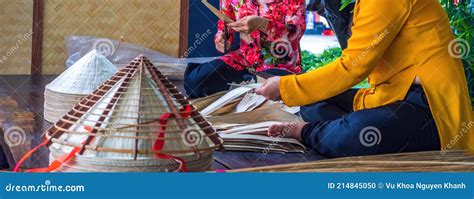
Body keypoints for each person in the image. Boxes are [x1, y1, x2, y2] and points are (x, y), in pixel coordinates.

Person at [256, 0, 474, 158]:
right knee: (310, 99)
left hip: (427, 105)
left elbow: (353, 66)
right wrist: (291, 87)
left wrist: (285, 86)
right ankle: (332, 129)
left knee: (356, 133)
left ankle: (306, 131)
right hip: (388, 95)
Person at [184, 0, 306, 98]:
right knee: (196, 82)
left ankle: (248, 84)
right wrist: (222, 38)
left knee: (277, 93)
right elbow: (224, 26)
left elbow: (295, 32)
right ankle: (249, 83)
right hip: (244, 59)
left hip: (280, 63)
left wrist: (263, 24)